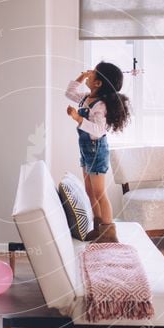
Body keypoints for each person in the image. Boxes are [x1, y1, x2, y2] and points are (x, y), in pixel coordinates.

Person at [65, 61, 131, 243]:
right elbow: (69, 92)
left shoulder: (100, 106)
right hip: (86, 149)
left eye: (93, 73)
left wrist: (78, 118)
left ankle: (109, 232)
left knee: (99, 192)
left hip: (96, 150)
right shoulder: (86, 98)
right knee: (89, 190)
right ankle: (98, 225)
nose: (90, 73)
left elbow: (98, 130)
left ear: (98, 83)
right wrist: (81, 77)